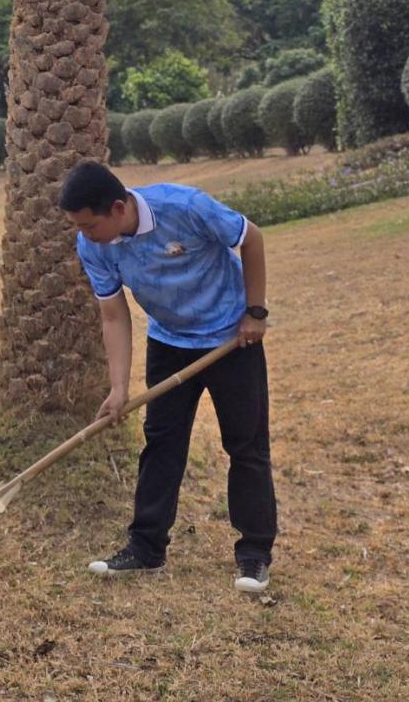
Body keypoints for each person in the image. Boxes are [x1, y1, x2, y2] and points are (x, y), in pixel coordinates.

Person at [58, 159, 276, 593]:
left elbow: (251, 238)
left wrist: (255, 312)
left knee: (246, 444)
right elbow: (114, 316)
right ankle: (146, 548)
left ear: (118, 208)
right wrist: (118, 389)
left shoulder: (186, 206)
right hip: (170, 342)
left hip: (232, 339)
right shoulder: (95, 247)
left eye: (88, 225)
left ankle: (254, 555)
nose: (83, 236)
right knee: (161, 444)